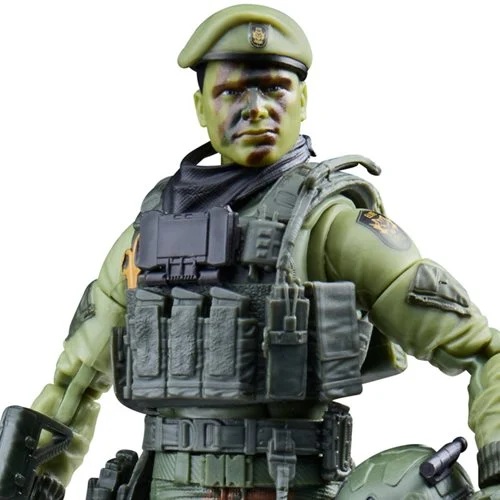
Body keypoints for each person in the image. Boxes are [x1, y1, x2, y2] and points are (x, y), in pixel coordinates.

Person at [1, 4, 500, 499]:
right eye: (231, 91)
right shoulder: (149, 235)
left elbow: (481, 352)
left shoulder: (331, 226)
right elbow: (74, 385)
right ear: (201, 108)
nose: (257, 107)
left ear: (303, 100)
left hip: (289, 488)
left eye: (275, 88)